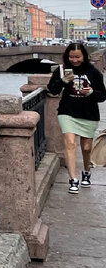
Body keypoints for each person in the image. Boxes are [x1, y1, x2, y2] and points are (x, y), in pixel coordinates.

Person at [46, 42, 106, 193]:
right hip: (67, 112)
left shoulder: (93, 72)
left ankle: (86, 170)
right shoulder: (61, 70)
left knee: (86, 148)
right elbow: (52, 89)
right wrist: (64, 81)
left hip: (88, 114)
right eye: (71, 57)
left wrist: (92, 92)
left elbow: (103, 96)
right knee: (70, 144)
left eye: (77, 57)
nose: (74, 60)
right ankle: (73, 179)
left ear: (84, 56)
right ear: (67, 56)